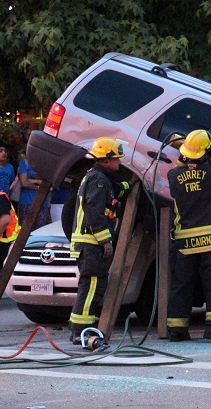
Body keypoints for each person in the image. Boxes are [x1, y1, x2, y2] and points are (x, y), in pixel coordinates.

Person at [167, 129, 211, 342]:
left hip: (185, 242)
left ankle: (177, 330)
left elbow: (183, 163)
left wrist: (186, 148)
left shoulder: (174, 177)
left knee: (181, 284)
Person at [68, 137, 132, 345]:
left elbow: (114, 191)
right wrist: (106, 242)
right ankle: (80, 330)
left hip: (90, 242)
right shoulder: (98, 180)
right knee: (90, 286)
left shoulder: (100, 178)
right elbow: (95, 213)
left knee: (93, 285)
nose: (119, 163)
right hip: (91, 243)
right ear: (105, 160)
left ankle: (82, 328)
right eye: (116, 159)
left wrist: (128, 185)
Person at [17, 150, 50, 230]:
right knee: (25, 230)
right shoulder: (25, 162)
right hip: (26, 202)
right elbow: (24, 183)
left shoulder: (46, 165)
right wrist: (40, 185)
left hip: (42, 202)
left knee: (41, 230)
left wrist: (33, 180)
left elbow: (49, 183)